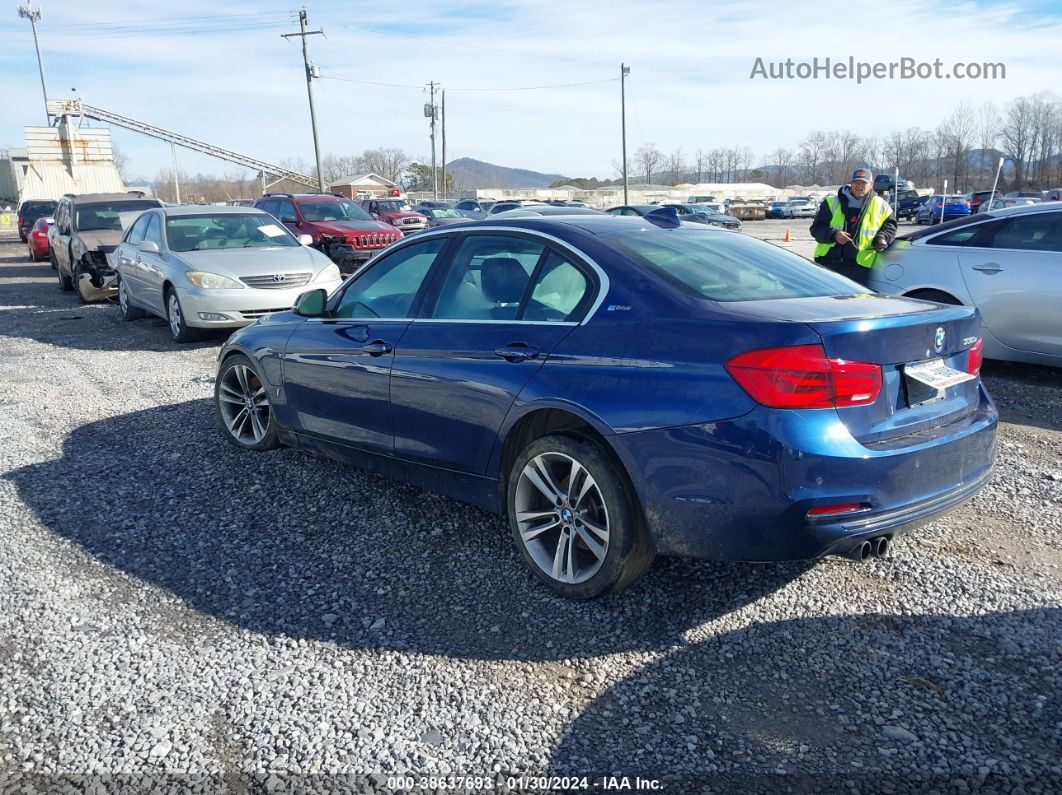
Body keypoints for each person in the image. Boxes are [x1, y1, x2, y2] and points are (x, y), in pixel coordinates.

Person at [810, 168, 896, 287]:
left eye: (863, 183)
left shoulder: (882, 206)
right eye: (856, 182)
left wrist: (882, 238)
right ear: (851, 183)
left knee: (855, 303)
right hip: (828, 264)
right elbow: (816, 229)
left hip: (860, 268)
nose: (859, 186)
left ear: (871, 184)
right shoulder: (831, 202)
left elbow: (890, 227)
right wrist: (834, 235)